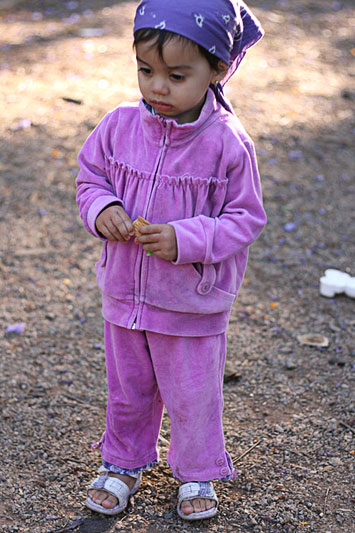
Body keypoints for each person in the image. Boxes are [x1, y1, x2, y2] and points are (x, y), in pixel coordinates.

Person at [76, 0, 266, 521]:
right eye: (146, 70)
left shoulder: (228, 144)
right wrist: (104, 209)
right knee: (128, 389)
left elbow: (245, 219)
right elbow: (89, 179)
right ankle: (122, 463)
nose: (157, 86)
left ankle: (197, 470)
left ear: (217, 70)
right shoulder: (118, 126)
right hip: (125, 295)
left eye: (177, 75)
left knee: (192, 396)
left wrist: (186, 239)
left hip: (191, 303)